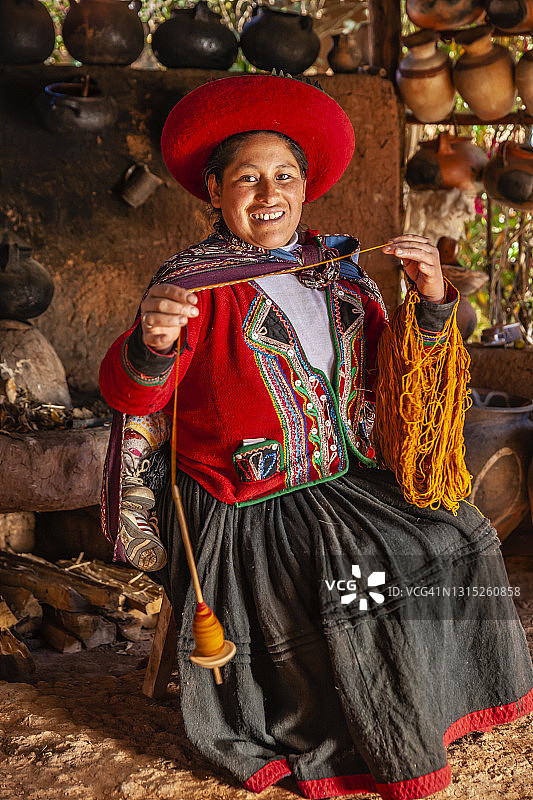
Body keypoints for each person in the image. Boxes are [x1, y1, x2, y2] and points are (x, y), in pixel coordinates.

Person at [99, 75, 533, 800]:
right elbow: (134, 397)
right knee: (360, 572)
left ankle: (435, 702)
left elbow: (398, 372)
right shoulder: (193, 285)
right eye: (247, 178)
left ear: (305, 189)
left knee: (461, 529)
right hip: (246, 497)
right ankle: (375, 729)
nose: (267, 193)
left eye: (284, 176)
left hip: (343, 473)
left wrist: (430, 299)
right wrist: (152, 342)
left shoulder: (336, 273)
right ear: (214, 191)